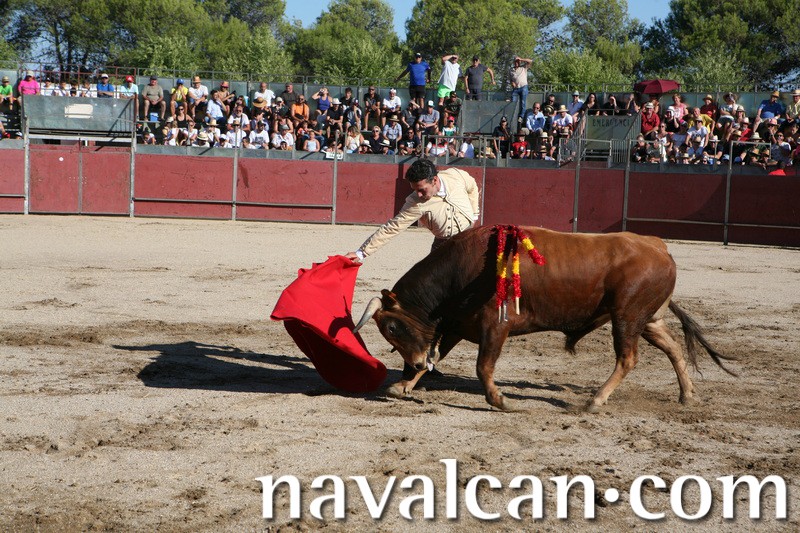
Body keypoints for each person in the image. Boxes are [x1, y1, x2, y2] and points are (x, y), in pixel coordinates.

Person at [345, 159, 480, 260]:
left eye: (422, 190)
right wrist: (361, 253)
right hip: (443, 244)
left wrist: (474, 214)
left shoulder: (456, 176)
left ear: (434, 180)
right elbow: (393, 227)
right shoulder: (415, 201)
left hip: (471, 236)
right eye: (415, 190)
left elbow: (472, 186)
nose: (419, 195)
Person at [509, 56, 532, 122]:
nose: (517, 63)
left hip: (523, 87)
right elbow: (510, 79)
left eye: (518, 61)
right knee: (513, 101)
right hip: (516, 88)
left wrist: (521, 59)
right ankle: (513, 115)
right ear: (514, 62)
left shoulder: (523, 67)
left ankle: (521, 116)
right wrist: (512, 83)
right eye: (515, 61)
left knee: (523, 102)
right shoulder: (511, 70)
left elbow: (530, 61)